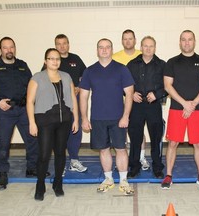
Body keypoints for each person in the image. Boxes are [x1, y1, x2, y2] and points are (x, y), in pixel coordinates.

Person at [79, 38, 135, 195]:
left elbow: (129, 94)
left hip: (118, 118)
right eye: (101, 47)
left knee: (121, 149)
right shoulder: (89, 71)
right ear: (97, 50)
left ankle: (123, 180)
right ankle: (108, 179)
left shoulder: (122, 69)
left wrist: (126, 116)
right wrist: (84, 118)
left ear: (112, 49)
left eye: (107, 47)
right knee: (103, 150)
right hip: (98, 118)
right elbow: (83, 96)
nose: (104, 50)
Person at [0, 37, 39, 190]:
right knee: (3, 143)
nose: (9, 50)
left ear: (15, 48)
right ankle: (2, 174)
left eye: (11, 47)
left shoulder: (22, 65)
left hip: (23, 109)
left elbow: (31, 86)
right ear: (0, 50)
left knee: (32, 139)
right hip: (5, 112)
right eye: (5, 48)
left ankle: (32, 168)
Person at [162, 30, 199, 190]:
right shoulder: (172, 62)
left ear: (194, 41)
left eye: (190, 39)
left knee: (198, 144)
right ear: (180, 42)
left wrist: (193, 103)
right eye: (183, 40)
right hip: (177, 108)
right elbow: (167, 86)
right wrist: (184, 103)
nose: (187, 42)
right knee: (173, 143)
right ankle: (168, 175)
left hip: (197, 110)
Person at [26, 48, 79, 201]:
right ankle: (40, 185)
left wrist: (75, 119)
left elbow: (73, 99)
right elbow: (29, 101)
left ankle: (58, 183)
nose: (55, 61)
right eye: (51, 58)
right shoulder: (37, 78)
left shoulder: (66, 76)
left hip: (64, 122)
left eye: (57, 59)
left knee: (61, 153)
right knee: (44, 155)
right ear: (45, 61)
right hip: (45, 122)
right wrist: (32, 123)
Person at [126, 36, 167, 179]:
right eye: (145, 46)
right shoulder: (131, 64)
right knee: (135, 138)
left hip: (153, 106)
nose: (148, 49)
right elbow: (123, 85)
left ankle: (157, 168)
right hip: (136, 106)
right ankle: (134, 167)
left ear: (155, 48)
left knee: (156, 139)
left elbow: (168, 86)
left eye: (151, 46)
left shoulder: (162, 65)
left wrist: (157, 94)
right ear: (141, 47)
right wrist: (131, 95)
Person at [113, 29, 150, 171]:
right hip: (119, 101)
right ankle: (123, 159)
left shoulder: (143, 55)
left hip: (138, 102)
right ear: (122, 41)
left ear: (135, 40)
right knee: (121, 131)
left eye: (130, 39)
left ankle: (141, 158)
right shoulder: (115, 57)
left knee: (138, 131)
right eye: (125, 39)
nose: (128, 41)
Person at [54, 34, 87, 174]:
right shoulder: (52, 60)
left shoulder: (76, 59)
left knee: (76, 131)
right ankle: (60, 164)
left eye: (64, 43)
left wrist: (79, 86)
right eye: (59, 44)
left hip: (75, 103)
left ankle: (74, 160)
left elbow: (86, 76)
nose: (62, 46)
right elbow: (45, 80)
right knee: (59, 132)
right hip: (57, 105)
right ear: (55, 46)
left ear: (68, 44)